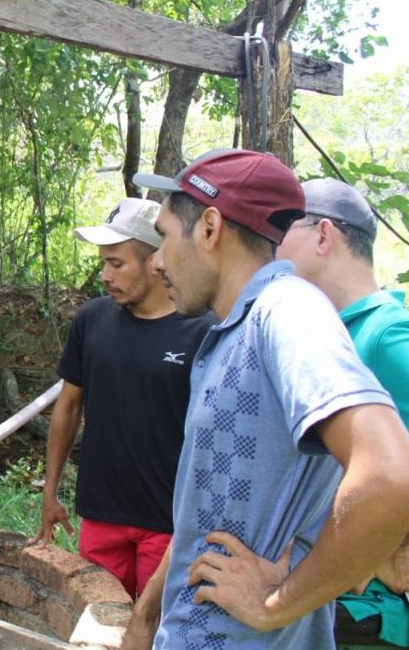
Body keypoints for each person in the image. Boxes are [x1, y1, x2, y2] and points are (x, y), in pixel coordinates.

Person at [122, 149, 409, 649]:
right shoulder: (234, 332)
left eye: (165, 237)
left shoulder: (287, 313)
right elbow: (206, 513)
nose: (158, 260)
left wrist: (277, 602)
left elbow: (389, 473)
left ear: (210, 228)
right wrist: (146, 619)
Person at [29, 197, 211, 599]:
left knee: (154, 630)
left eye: (116, 263)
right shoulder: (92, 320)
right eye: (103, 263)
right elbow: (69, 406)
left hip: (169, 521)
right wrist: (51, 490)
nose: (105, 275)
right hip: (101, 513)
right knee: (98, 619)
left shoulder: (201, 330)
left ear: (155, 261)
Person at [278, 177, 409, 649]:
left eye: (281, 232)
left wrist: (381, 556)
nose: (271, 247)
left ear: (323, 235)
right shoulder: (321, 331)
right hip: (315, 602)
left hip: (362, 617)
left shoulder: (386, 335)